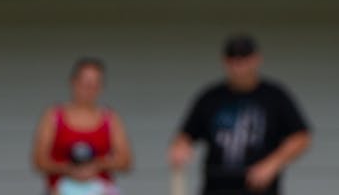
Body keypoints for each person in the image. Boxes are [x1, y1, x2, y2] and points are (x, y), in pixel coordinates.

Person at [168, 35, 310, 195]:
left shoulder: (275, 96)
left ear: (256, 59)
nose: (239, 67)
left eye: (244, 60)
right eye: (233, 60)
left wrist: (272, 164)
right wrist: (180, 147)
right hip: (216, 188)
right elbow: (186, 135)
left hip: (260, 190)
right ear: (225, 62)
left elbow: (301, 137)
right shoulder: (210, 97)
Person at [32, 57, 133, 195]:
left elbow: (125, 161)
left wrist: (96, 165)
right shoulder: (54, 116)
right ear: (73, 82)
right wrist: (70, 169)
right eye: (85, 84)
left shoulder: (110, 118)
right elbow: (39, 161)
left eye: (95, 84)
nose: (89, 89)